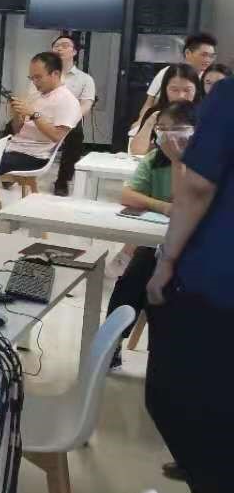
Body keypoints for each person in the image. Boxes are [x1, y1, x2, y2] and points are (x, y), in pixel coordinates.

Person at [142, 77, 234, 493]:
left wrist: (167, 260)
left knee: (176, 396)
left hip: (217, 281)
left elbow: (197, 186)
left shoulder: (230, 98)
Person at [104, 100, 196, 372]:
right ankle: (112, 343)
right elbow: (127, 194)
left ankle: (164, 355)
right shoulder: (155, 160)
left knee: (165, 283)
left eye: (174, 129)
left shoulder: (204, 163)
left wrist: (179, 162)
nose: (166, 136)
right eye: (162, 129)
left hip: (194, 250)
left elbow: (185, 205)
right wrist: (161, 206)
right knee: (135, 274)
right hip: (157, 244)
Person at [0, 53, 81, 175]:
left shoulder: (67, 100)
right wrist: (17, 114)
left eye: (38, 77)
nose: (34, 82)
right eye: (31, 78)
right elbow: (17, 131)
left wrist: (33, 114)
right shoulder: (37, 95)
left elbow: (56, 136)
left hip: (34, 156)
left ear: (55, 74)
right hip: (13, 147)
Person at [133, 32, 217, 127]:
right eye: (204, 55)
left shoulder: (209, 79)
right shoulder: (168, 72)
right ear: (188, 53)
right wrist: (140, 123)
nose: (208, 60)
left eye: (212, 56)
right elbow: (149, 104)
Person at [51, 34, 95, 196]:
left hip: (70, 120)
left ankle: (62, 181)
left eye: (64, 45)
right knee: (14, 124)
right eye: (56, 46)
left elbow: (86, 105)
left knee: (76, 134)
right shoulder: (45, 75)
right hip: (44, 115)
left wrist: (70, 119)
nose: (59, 48)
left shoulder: (85, 79)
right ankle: (12, 170)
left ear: (75, 52)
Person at [129, 63, 201, 156]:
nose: (181, 96)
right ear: (165, 89)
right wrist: (150, 122)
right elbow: (137, 151)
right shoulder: (155, 114)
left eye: (187, 90)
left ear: (196, 90)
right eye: (174, 90)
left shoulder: (205, 115)